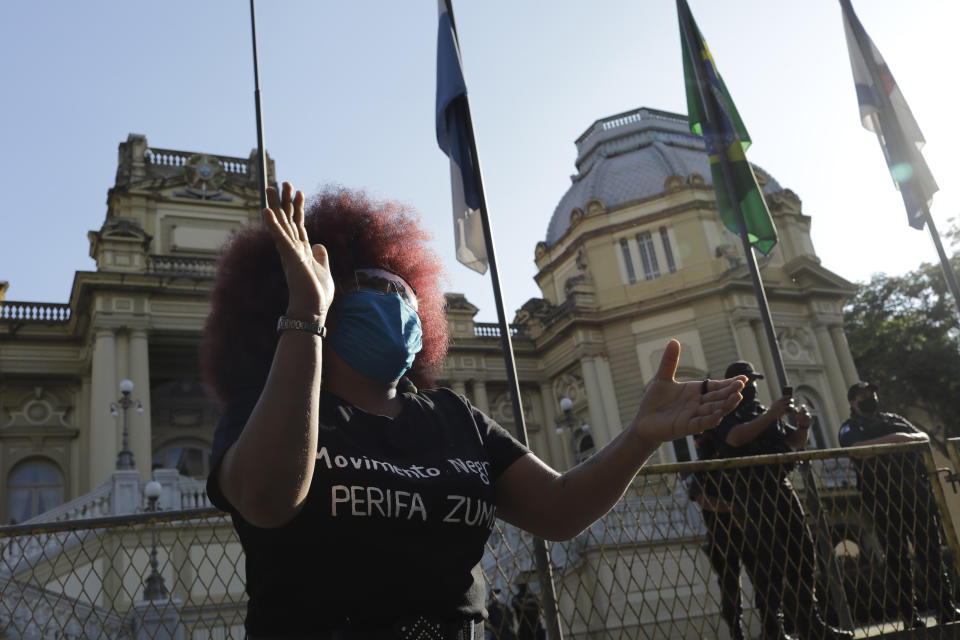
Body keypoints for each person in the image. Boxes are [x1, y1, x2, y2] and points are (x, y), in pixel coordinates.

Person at [202, 181, 748, 639]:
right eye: (372, 285)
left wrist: (641, 436)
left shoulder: (455, 417)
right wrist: (304, 315)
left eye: (406, 292)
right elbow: (269, 499)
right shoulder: (266, 411)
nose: (396, 301)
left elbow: (558, 510)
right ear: (331, 295)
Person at [714, 361, 852, 640]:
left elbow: (793, 441)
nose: (751, 386)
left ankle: (810, 623)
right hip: (752, 493)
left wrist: (804, 426)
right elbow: (736, 439)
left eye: (753, 381)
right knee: (768, 563)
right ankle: (772, 630)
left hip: (780, 487)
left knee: (802, 555)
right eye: (745, 382)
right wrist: (773, 414)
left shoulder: (762, 411)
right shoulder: (724, 413)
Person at [838, 382, 960, 628]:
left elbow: (922, 437)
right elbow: (857, 450)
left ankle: (945, 607)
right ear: (853, 402)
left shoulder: (894, 418)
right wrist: (900, 441)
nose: (870, 399)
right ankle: (909, 615)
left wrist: (895, 441)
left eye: (872, 395)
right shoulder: (851, 427)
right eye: (863, 397)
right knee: (897, 559)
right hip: (883, 501)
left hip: (916, 496)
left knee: (930, 553)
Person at [689, 427, 752, 640]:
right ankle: (737, 633)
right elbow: (701, 498)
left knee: (764, 578)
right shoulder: (703, 468)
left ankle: (774, 626)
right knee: (730, 588)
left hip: (746, 532)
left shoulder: (731, 464)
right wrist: (733, 509)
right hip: (721, 536)